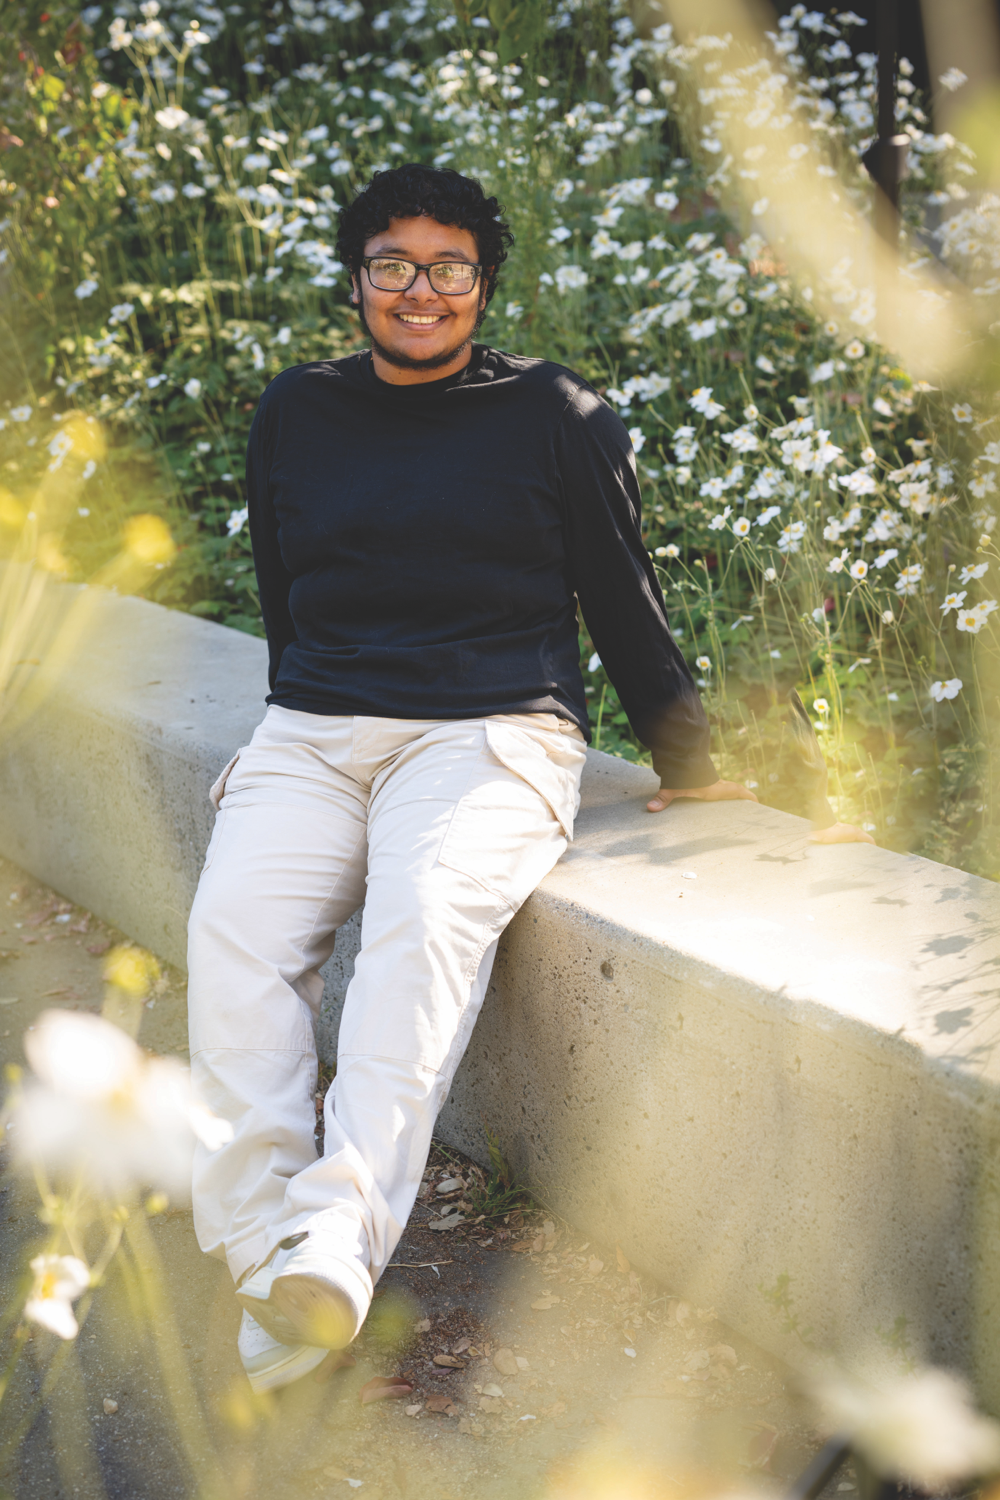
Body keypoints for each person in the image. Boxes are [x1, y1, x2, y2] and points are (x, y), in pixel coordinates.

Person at [186, 163, 753, 1394]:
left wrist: (689, 761)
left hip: (489, 735)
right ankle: (259, 1252)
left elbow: (621, 591)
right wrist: (299, 722)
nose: (419, 290)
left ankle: (332, 1245)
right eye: (393, 263)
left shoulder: (556, 412)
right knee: (233, 933)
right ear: (357, 279)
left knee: (420, 926)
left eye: (449, 267)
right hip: (315, 731)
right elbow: (290, 596)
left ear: (484, 284)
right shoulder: (296, 410)